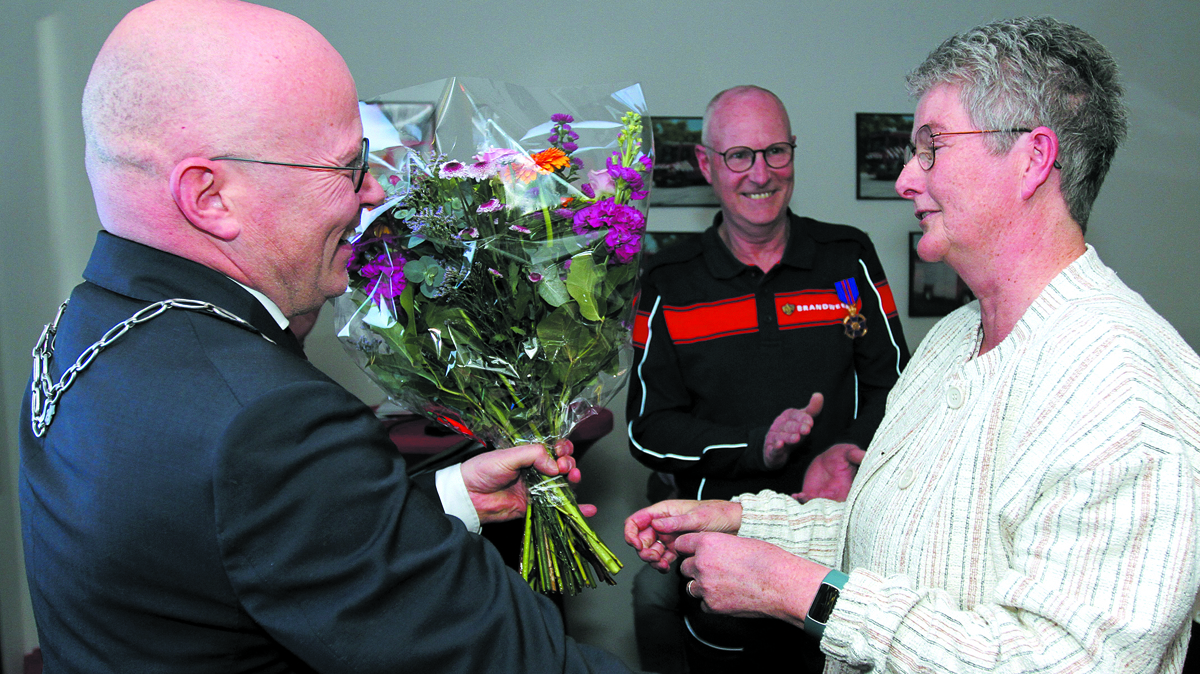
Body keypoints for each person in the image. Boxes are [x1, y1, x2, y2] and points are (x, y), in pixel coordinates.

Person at [17, 1, 632, 672]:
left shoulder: (85, 325)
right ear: (210, 196)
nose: (373, 192)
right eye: (347, 166)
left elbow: (220, 543)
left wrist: (444, 499)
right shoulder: (269, 418)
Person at [626, 16, 1200, 674]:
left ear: (1032, 159)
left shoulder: (1125, 390)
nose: (904, 179)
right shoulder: (954, 338)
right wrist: (736, 520)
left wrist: (800, 592)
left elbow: (1064, 662)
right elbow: (883, 532)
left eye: (932, 148)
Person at [625, 85, 909, 672]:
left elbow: (895, 384)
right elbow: (648, 430)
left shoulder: (846, 259)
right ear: (706, 164)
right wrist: (758, 445)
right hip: (724, 552)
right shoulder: (669, 281)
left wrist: (843, 451)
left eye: (776, 151)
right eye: (739, 156)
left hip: (841, 535)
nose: (761, 173)